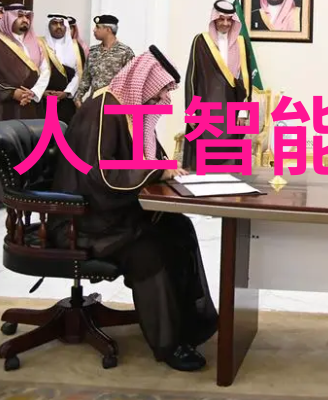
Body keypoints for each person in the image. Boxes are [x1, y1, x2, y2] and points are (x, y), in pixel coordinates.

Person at [50, 46, 219, 372]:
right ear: (142, 82)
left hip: (110, 213)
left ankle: (189, 325)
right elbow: (101, 175)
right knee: (149, 251)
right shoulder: (103, 110)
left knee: (179, 228)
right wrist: (156, 172)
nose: (163, 100)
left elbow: (148, 160)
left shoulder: (129, 113)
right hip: (84, 221)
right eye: (160, 91)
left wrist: (166, 169)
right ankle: (168, 345)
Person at [182, 0, 253, 170]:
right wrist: (190, 111)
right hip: (205, 108)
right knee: (202, 162)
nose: (226, 23)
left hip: (231, 109)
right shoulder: (201, 41)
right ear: (214, 19)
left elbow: (245, 79)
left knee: (231, 162)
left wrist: (243, 111)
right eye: (221, 19)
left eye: (229, 19)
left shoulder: (241, 43)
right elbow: (192, 76)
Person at [0, 3, 49, 120]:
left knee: (34, 130)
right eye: (20, 16)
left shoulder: (37, 43)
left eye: (27, 17)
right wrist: (12, 93)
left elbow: (45, 70)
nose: (25, 20)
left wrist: (34, 92)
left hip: (31, 101)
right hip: (5, 104)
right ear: (8, 18)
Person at [75, 14, 134, 105]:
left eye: (98, 27)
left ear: (108, 30)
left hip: (114, 103)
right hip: (95, 103)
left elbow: (131, 80)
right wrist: (78, 97)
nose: (94, 30)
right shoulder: (93, 51)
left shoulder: (125, 52)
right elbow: (86, 78)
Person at [38, 14, 80, 123]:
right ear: (48, 25)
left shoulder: (75, 47)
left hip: (66, 99)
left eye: (61, 24)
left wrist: (67, 92)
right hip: (43, 98)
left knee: (64, 129)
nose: (58, 27)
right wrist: (41, 91)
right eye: (54, 23)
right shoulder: (39, 44)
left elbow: (79, 73)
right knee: (44, 130)